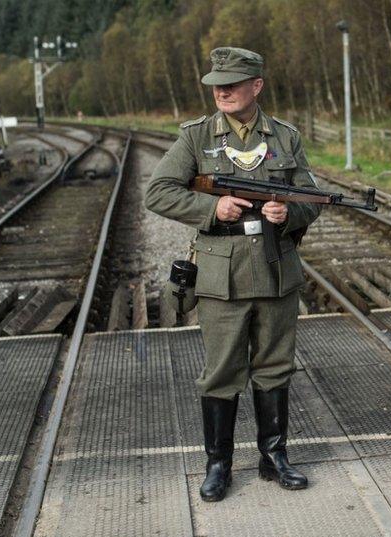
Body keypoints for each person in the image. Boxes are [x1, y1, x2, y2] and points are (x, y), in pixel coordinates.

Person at [145, 47, 321, 502]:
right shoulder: (195, 137)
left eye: (232, 82)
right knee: (221, 372)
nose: (221, 90)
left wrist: (290, 214)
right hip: (221, 279)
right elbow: (158, 192)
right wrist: (211, 208)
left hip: (276, 270)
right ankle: (218, 465)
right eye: (216, 83)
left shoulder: (284, 137)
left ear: (256, 86)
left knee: (275, 367)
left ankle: (274, 457)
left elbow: (310, 198)